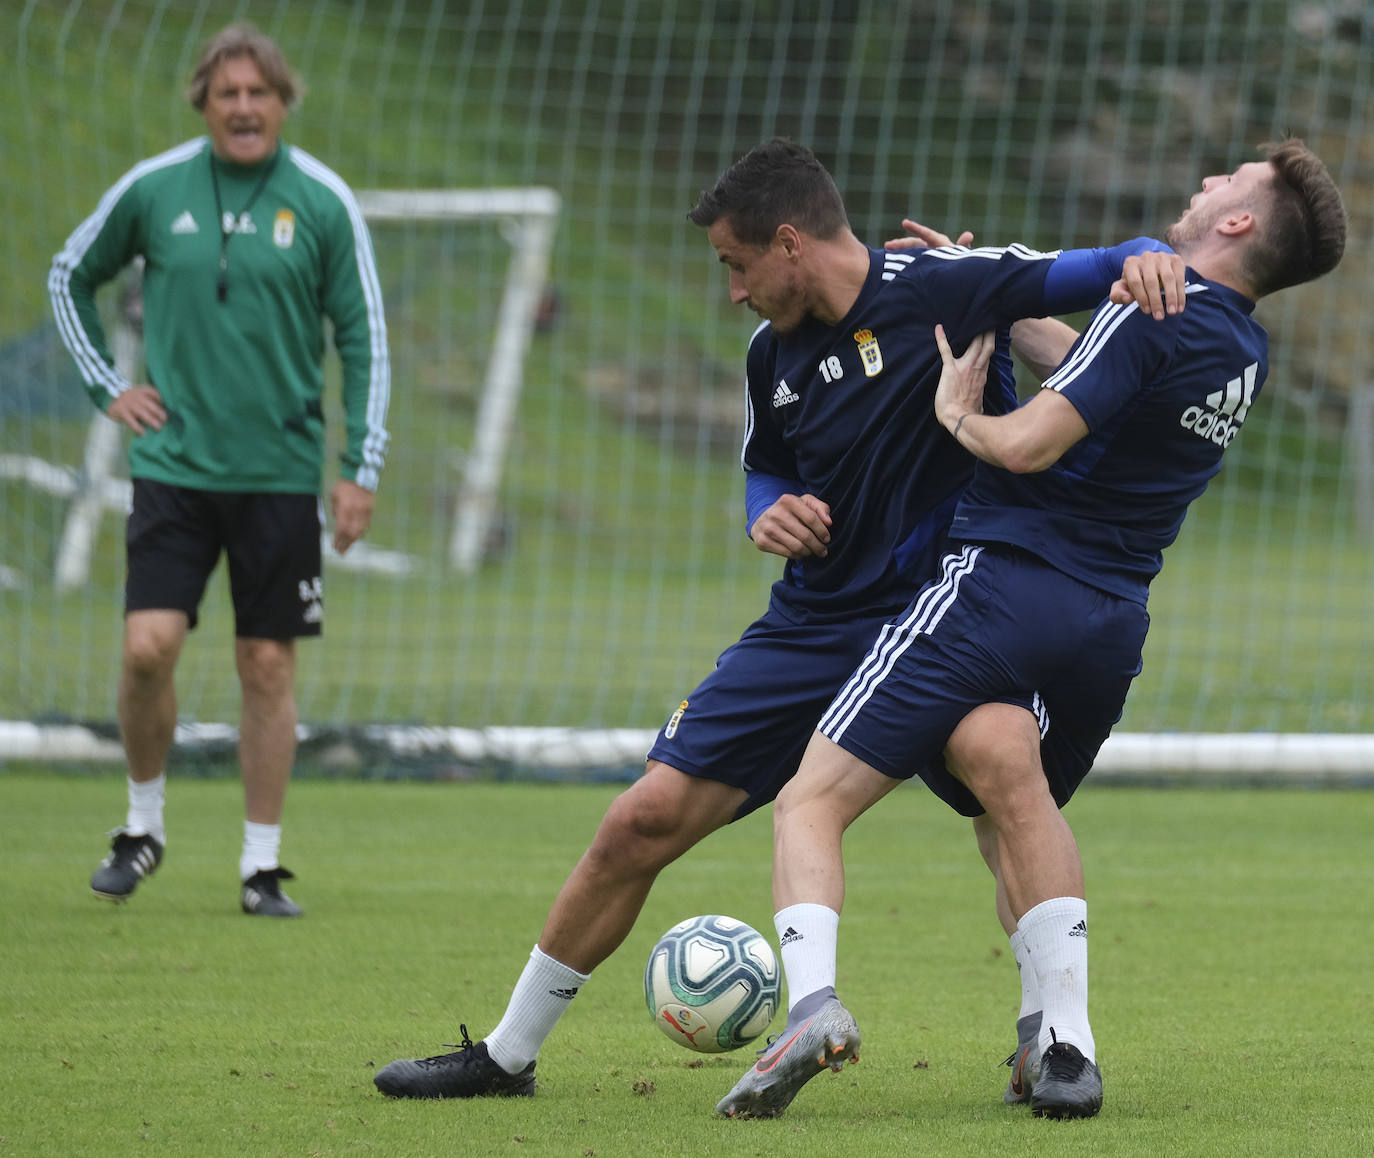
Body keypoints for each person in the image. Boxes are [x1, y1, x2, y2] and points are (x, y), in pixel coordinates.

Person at [372, 136, 1181, 1099]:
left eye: (736, 264)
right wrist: (768, 510)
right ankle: (506, 1055)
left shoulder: (944, 285)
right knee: (643, 818)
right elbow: (769, 464)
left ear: (789, 243)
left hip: (950, 616)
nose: (733, 291)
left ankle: (1052, 1046)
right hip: (819, 623)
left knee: (1004, 777)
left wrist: (1153, 255)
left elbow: (1102, 264)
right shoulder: (772, 356)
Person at [716, 139, 1347, 1121]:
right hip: (1109, 624)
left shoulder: (1146, 309)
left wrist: (958, 410)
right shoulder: (1236, 346)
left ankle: (814, 1009)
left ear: (1237, 223)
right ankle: (1060, 1047)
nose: (1205, 182)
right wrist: (996, 303)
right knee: (1011, 793)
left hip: (1003, 589)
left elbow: (1028, 440)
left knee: (811, 799)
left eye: (1225, 183)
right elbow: (1093, 369)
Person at [48, 23, 391, 918]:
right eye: (227, 92)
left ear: (284, 102)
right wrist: (109, 388)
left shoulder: (322, 203)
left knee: (265, 663)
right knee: (146, 647)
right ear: (203, 100)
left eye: (259, 92)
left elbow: (365, 340)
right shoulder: (154, 189)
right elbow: (67, 278)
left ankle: (261, 867)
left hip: (279, 474)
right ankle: (141, 826)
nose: (244, 106)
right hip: (174, 468)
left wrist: (359, 468)